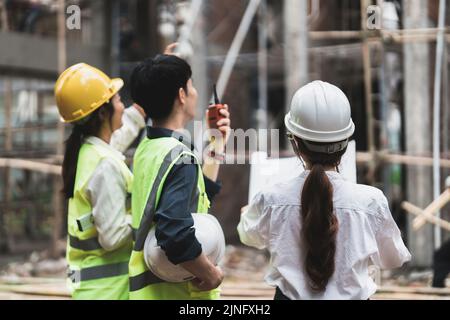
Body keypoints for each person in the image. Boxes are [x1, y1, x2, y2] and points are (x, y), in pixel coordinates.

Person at [238, 81, 411, 300]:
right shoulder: (370, 202)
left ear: (295, 142)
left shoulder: (271, 199)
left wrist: (247, 214)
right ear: (346, 142)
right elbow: (392, 259)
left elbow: (248, 236)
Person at [128, 54, 231, 300]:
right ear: (181, 95)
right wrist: (210, 273)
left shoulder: (149, 147)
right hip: (178, 294)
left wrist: (216, 142)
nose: (195, 92)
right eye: (191, 85)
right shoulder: (178, 156)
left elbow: (197, 198)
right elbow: (173, 231)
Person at [55, 63, 146, 300]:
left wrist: (142, 108)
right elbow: (113, 237)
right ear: (103, 113)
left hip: (90, 288)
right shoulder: (105, 166)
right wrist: (149, 212)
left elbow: (119, 138)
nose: (122, 106)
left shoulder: (88, 152)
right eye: (117, 101)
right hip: (107, 291)